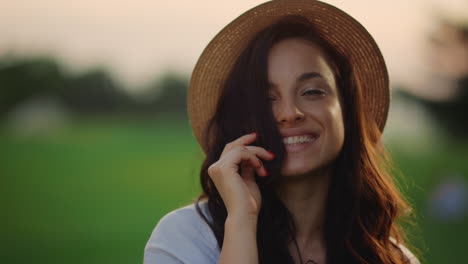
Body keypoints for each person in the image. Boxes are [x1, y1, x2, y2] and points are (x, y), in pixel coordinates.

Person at [144, 0, 422, 263]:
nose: (290, 113)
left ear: (347, 112)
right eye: (266, 98)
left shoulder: (393, 258)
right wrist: (241, 221)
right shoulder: (184, 239)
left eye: (312, 91)